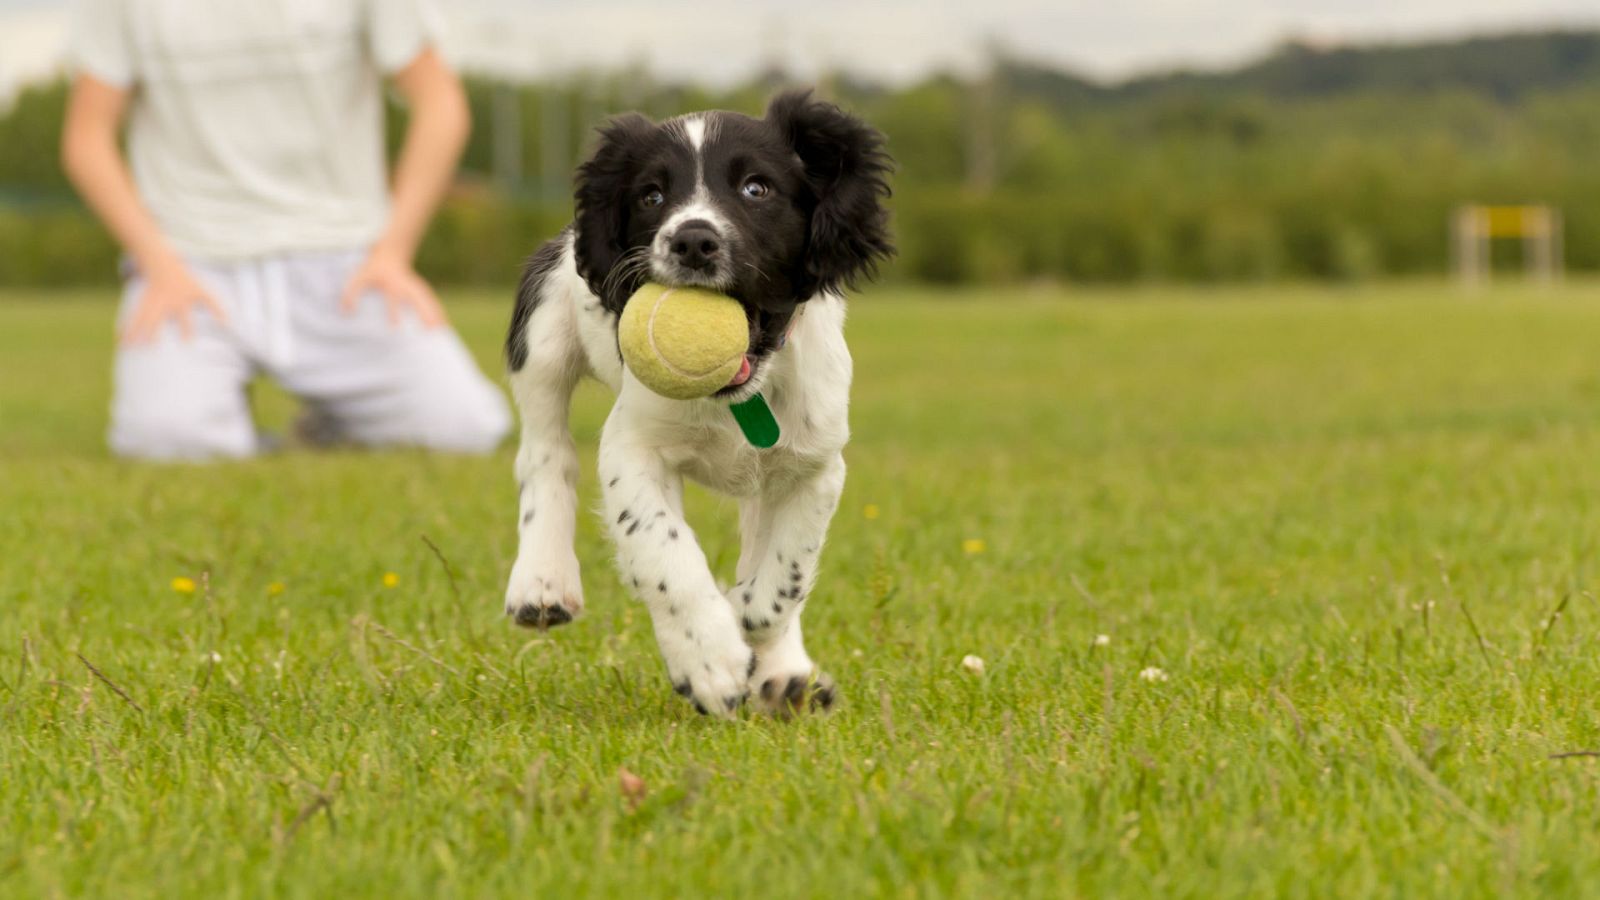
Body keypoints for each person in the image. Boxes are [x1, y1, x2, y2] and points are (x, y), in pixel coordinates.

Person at [60, 0, 511, 460]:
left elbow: (441, 104)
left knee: (462, 429)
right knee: (166, 441)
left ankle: (335, 423)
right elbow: (87, 137)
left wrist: (392, 253)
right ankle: (220, 408)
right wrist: (158, 264)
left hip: (345, 262)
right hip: (189, 265)